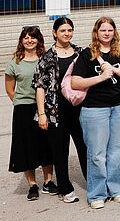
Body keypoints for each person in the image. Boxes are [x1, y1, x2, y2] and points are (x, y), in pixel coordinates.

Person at [70, 17, 120, 209]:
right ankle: (97, 193)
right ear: (96, 32)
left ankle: (115, 189)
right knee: (97, 153)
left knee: (115, 151)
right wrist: (100, 77)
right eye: (102, 30)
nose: (106, 33)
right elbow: (76, 82)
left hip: (119, 106)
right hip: (94, 108)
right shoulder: (87, 54)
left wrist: (115, 71)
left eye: (109, 30)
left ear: (114, 32)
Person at [33, 17, 87, 204]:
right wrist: (41, 114)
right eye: (63, 30)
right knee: (60, 151)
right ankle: (65, 188)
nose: (67, 33)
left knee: (85, 147)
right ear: (55, 33)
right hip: (56, 112)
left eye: (69, 30)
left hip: (79, 110)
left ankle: (93, 182)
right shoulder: (47, 57)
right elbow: (39, 87)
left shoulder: (80, 53)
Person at [6, 26, 54, 201]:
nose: (29, 40)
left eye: (33, 37)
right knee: (27, 147)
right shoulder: (14, 63)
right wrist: (21, 103)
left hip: (45, 108)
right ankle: (32, 185)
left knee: (46, 144)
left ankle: (48, 181)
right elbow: (10, 89)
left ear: (38, 40)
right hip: (23, 109)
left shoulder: (46, 58)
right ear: (21, 40)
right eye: (25, 37)